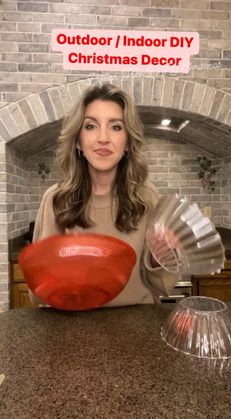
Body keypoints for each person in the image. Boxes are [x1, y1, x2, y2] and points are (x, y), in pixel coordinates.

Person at [29, 83, 179, 307]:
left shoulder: (147, 196)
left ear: (127, 142)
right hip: (77, 328)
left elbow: (162, 287)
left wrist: (160, 258)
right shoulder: (56, 199)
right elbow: (37, 295)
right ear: (78, 141)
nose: (103, 138)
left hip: (138, 326)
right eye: (90, 126)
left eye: (116, 127)